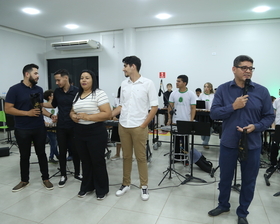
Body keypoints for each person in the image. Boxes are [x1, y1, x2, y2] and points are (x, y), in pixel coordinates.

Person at [208, 55, 275, 224]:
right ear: (234, 69)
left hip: (252, 143)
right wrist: (233, 106)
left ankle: (243, 212)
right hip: (229, 142)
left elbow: (268, 117)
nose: (248, 71)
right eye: (244, 67)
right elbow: (214, 113)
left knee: (249, 180)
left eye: (250, 68)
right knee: (225, 177)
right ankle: (223, 204)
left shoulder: (262, 91)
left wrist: (256, 126)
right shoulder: (223, 89)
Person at [112, 56, 158, 201]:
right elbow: (121, 105)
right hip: (124, 125)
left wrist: (144, 125)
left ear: (133, 66)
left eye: (125, 66)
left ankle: (144, 186)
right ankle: (126, 183)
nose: (123, 68)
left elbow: (154, 107)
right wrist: (108, 115)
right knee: (126, 156)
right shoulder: (124, 84)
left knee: (141, 157)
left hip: (139, 126)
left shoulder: (148, 83)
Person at [5, 63, 54, 192]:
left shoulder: (38, 89)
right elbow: (8, 109)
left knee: (41, 154)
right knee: (24, 155)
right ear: (27, 74)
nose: (38, 76)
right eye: (36, 73)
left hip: (38, 127)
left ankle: (46, 178)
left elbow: (39, 107)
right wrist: (27, 113)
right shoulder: (14, 89)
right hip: (22, 129)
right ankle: (24, 180)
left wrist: (50, 115)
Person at [70, 69, 111, 200]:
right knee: (85, 161)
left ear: (93, 80)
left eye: (87, 78)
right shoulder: (77, 94)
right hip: (80, 132)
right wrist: (72, 116)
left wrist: (88, 117)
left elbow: (107, 113)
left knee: (97, 161)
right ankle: (87, 186)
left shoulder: (99, 94)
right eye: (82, 78)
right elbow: (72, 111)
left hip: (96, 132)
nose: (83, 80)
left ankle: (102, 189)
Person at [43, 69, 82, 188]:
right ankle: (63, 175)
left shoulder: (77, 91)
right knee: (62, 151)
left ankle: (77, 173)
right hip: (61, 126)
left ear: (66, 78)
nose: (57, 82)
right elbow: (53, 105)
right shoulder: (57, 92)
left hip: (74, 125)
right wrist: (40, 104)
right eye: (56, 80)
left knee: (75, 151)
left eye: (58, 80)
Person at [167, 75, 213, 173]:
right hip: (176, 121)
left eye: (179, 81)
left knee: (185, 141)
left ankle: (185, 158)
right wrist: (169, 119)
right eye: (176, 81)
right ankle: (176, 157)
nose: (176, 83)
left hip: (186, 121)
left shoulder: (190, 94)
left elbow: (193, 108)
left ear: (185, 83)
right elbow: (170, 107)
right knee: (176, 140)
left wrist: (191, 120)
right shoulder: (173, 94)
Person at [43, 89, 59, 164]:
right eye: (52, 95)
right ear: (49, 97)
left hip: (56, 125)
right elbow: (43, 116)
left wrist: (56, 119)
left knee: (54, 142)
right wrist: (46, 123)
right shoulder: (44, 106)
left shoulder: (56, 105)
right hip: (48, 126)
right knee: (53, 142)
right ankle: (57, 155)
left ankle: (51, 156)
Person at [198, 82, 215, 149]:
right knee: (202, 128)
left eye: (207, 87)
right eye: (205, 86)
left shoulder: (213, 95)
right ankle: (204, 140)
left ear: (210, 88)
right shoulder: (201, 95)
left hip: (210, 114)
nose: (206, 88)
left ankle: (206, 142)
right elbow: (198, 104)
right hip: (202, 113)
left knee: (209, 128)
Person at [266, 97, 280, 172]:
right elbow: (272, 115)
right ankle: (273, 164)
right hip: (278, 126)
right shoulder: (277, 101)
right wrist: (273, 127)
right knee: (275, 146)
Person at [110, 86, 122, 161]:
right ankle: (117, 154)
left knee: (127, 139)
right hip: (117, 118)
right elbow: (114, 109)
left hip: (126, 119)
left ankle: (128, 155)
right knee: (118, 139)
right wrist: (113, 117)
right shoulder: (116, 99)